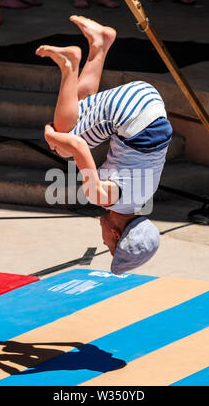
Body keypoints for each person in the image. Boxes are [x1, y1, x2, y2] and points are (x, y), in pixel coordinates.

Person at [36, 16, 172, 274]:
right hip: (132, 116)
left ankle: (100, 43)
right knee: (64, 144)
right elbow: (77, 146)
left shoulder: (142, 199)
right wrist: (51, 138)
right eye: (110, 247)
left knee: (78, 109)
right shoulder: (100, 196)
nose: (103, 243)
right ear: (115, 234)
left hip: (150, 106)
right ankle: (69, 64)